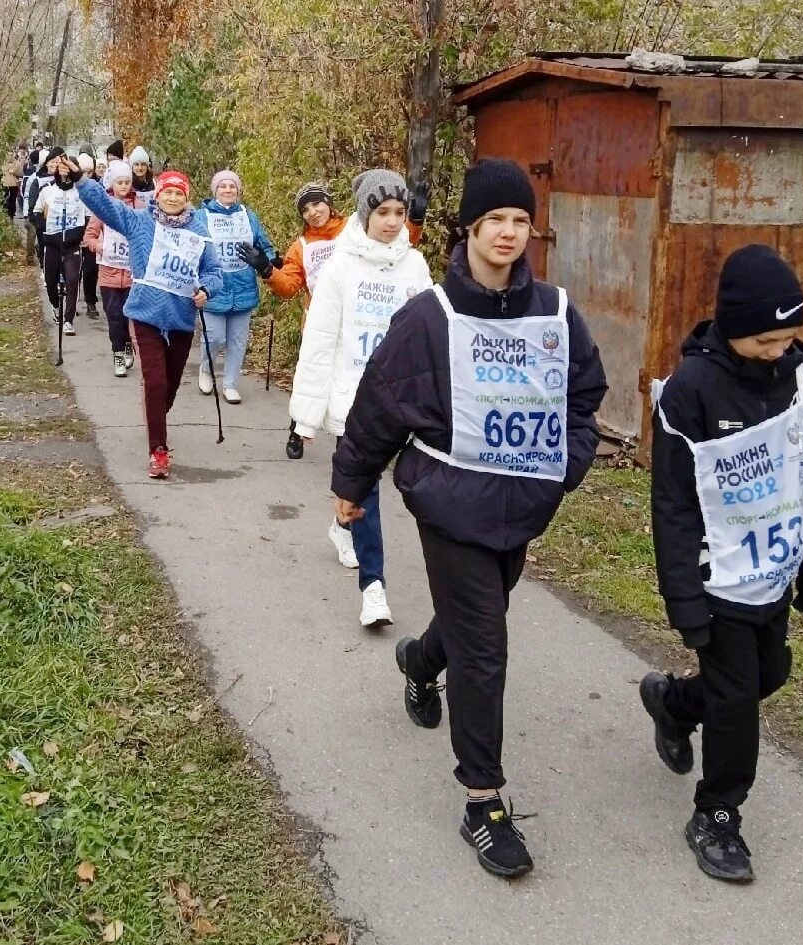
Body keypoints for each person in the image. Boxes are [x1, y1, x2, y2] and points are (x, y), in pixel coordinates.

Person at [332, 158, 607, 878]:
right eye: (496, 221)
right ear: (471, 229)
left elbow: (586, 395)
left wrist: (566, 467)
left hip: (523, 506)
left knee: (470, 621)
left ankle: (420, 661)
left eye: (521, 220)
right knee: (486, 645)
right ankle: (482, 801)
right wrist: (351, 481)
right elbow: (380, 402)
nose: (510, 233)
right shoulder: (430, 316)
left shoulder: (554, 310)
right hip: (451, 502)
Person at [642, 244, 803, 884]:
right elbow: (670, 502)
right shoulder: (691, 391)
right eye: (765, 340)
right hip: (715, 577)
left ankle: (673, 703)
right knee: (737, 703)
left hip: (772, 572)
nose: (779, 350)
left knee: (768, 673)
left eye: (788, 337)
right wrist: (683, 600)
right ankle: (717, 815)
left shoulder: (802, 377)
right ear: (733, 326)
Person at [288, 169, 432, 629]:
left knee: (410, 483)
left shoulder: (415, 267)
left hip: (404, 399)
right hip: (356, 399)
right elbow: (320, 340)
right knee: (366, 485)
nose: (391, 222)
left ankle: (341, 523)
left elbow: (431, 338)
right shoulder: (340, 268)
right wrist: (305, 416)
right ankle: (374, 588)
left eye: (399, 213)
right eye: (383, 212)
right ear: (366, 213)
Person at [241, 180, 428, 459]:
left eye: (317, 203)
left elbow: (398, 246)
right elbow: (290, 286)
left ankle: (359, 448)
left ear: (328, 203)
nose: (313, 212)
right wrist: (267, 270)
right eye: (305, 209)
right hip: (321, 322)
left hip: (361, 319)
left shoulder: (353, 230)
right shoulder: (301, 246)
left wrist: (415, 219)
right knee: (312, 373)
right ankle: (299, 429)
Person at [74, 159, 223, 479]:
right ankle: (158, 450)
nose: (172, 198)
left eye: (178, 194)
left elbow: (213, 272)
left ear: (186, 198)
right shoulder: (142, 222)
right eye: (167, 192)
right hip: (145, 314)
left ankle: (157, 415)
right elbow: (107, 206)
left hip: (181, 317)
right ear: (157, 195)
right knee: (154, 381)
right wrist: (80, 180)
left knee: (167, 388)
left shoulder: (199, 229)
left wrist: (207, 291)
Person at [192, 170, 277, 404]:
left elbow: (262, 243)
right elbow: (191, 245)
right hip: (213, 286)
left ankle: (230, 384)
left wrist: (269, 260)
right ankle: (207, 371)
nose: (228, 190)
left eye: (232, 186)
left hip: (243, 286)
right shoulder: (201, 216)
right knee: (215, 336)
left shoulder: (248, 215)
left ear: (238, 190)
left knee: (238, 341)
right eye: (223, 186)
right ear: (215, 190)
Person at [83, 159, 139, 377]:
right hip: (109, 273)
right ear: (112, 184)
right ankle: (117, 353)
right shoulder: (103, 209)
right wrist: (100, 246)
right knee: (113, 314)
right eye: (120, 182)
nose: (124, 186)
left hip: (132, 274)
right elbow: (89, 236)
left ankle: (127, 345)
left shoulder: (138, 208)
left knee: (128, 315)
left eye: (127, 182)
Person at [32, 153, 87, 335]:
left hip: (72, 244)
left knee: (72, 281)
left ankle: (69, 320)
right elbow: (37, 212)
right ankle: (56, 307)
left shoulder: (80, 191)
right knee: (50, 281)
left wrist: (81, 233)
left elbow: (88, 216)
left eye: (68, 167)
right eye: (61, 166)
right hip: (53, 244)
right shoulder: (48, 189)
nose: (64, 170)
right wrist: (43, 227)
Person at [25, 146, 63, 268]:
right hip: (43, 223)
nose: (54, 165)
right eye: (52, 162)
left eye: (57, 163)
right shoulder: (38, 180)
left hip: (60, 223)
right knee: (45, 252)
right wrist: (38, 222)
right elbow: (33, 204)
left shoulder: (64, 181)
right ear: (46, 163)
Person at [76, 153, 101, 320]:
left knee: (91, 267)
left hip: (93, 224)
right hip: (77, 226)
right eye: (83, 171)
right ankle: (72, 300)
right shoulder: (72, 186)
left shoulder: (98, 187)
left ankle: (90, 302)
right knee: (75, 266)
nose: (86, 175)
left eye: (89, 172)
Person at [1, 150, 24, 220]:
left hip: (14, 184)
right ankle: (5, 212)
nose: (10, 156)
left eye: (11, 155)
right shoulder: (4, 164)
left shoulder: (18, 164)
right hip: (5, 183)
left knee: (13, 199)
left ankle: (11, 214)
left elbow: (21, 174)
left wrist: (14, 172)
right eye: (8, 155)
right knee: (5, 198)